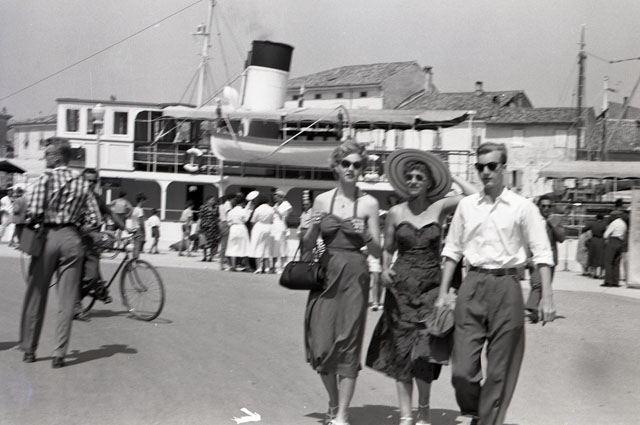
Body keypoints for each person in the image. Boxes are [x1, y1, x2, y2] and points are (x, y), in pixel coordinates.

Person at [436, 142, 555, 425]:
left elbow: (542, 253)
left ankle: (489, 420)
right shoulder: (466, 206)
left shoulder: (522, 207)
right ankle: (476, 409)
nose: (485, 172)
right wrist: (442, 293)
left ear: (504, 168)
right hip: (472, 283)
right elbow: (452, 250)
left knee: (500, 369)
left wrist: (547, 297)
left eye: (492, 166)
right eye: (480, 167)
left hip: (507, 285)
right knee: (462, 371)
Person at [366, 149, 477, 425]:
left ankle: (424, 410)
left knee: (424, 354)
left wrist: (451, 176)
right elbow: (388, 249)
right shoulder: (395, 212)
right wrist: (384, 270)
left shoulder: (440, 207)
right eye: (410, 177)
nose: (413, 181)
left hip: (431, 289)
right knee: (401, 351)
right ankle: (406, 415)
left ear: (429, 182)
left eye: (419, 177)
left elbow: (473, 196)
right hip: (400, 291)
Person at [302, 139, 381, 425]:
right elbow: (308, 246)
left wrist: (366, 235)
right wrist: (311, 227)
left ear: (362, 168)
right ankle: (334, 402)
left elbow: (378, 251)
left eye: (357, 165)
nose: (351, 169)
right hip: (326, 273)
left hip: (355, 277)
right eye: (345, 163)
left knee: (348, 343)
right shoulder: (322, 200)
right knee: (321, 343)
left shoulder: (369, 203)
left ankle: (342, 415)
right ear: (336, 166)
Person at [20, 137, 102, 368]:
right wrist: (77, 225)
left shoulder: (45, 178)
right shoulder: (82, 183)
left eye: (47, 153)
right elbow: (95, 218)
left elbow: (34, 211)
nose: (45, 157)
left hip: (48, 237)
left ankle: (30, 350)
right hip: (72, 239)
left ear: (57, 157)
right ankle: (59, 354)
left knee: (36, 293)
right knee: (67, 300)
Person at [74, 168, 129, 320]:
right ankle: (75, 304)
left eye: (93, 181)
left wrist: (125, 228)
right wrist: (92, 234)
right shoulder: (76, 198)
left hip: (92, 243)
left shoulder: (97, 199)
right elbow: (75, 221)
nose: (90, 184)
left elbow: (111, 213)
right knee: (77, 275)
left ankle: (78, 299)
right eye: (87, 180)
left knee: (91, 277)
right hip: (77, 241)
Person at [525, 195, 565, 323]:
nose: (546, 208)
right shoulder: (532, 220)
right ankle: (531, 308)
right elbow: (526, 239)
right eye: (543, 206)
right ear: (538, 207)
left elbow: (561, 238)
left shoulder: (556, 221)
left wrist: (553, 225)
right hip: (535, 258)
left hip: (551, 259)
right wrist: (528, 256)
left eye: (549, 206)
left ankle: (539, 310)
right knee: (536, 283)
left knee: (545, 285)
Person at [601, 208, 628, 288]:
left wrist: (606, 239)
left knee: (608, 262)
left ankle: (608, 281)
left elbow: (606, 234)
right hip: (620, 242)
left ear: (614, 216)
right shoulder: (623, 224)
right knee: (616, 263)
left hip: (613, 241)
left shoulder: (614, 223)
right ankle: (615, 281)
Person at [249, 195, 275, 273]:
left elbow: (253, 220)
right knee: (267, 247)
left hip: (259, 227)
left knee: (258, 246)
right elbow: (272, 221)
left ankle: (259, 267)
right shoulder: (271, 209)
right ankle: (267, 268)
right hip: (268, 227)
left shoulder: (258, 209)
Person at [225, 193, 252, 271]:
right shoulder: (243, 211)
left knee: (233, 246)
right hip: (241, 227)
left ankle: (233, 265)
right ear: (242, 203)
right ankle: (247, 266)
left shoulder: (231, 211)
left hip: (233, 228)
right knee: (245, 246)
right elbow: (245, 219)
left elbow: (228, 222)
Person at [271, 189, 293, 272]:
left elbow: (284, 217)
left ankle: (282, 266)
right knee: (274, 246)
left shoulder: (286, 205)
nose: (274, 198)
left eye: (276, 196)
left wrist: (277, 211)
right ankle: (273, 266)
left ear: (281, 197)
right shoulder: (276, 204)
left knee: (282, 247)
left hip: (281, 226)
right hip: (274, 226)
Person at [584, 213, 606, 278]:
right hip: (601, 240)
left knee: (593, 256)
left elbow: (584, 229)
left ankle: (593, 272)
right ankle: (601, 273)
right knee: (601, 257)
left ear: (596, 218)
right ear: (602, 218)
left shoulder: (592, 224)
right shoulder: (604, 224)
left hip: (593, 240)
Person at [198, 196, 220, 261]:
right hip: (204, 226)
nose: (213, 201)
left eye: (214, 200)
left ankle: (210, 257)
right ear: (208, 200)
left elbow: (217, 216)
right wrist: (198, 227)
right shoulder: (203, 207)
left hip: (213, 227)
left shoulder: (216, 208)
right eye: (212, 200)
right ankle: (204, 256)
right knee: (204, 242)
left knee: (212, 242)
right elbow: (200, 217)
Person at [218, 194, 233, 270]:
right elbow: (229, 214)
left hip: (221, 223)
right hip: (225, 224)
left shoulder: (221, 206)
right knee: (225, 244)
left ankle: (222, 262)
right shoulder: (228, 204)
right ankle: (225, 263)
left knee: (223, 245)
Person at [130, 193, 146, 259]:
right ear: (141, 200)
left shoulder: (134, 209)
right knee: (138, 246)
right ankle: (136, 260)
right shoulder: (140, 210)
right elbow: (141, 222)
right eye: (144, 200)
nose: (144, 202)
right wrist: (144, 231)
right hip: (139, 229)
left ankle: (133, 259)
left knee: (135, 246)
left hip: (133, 228)